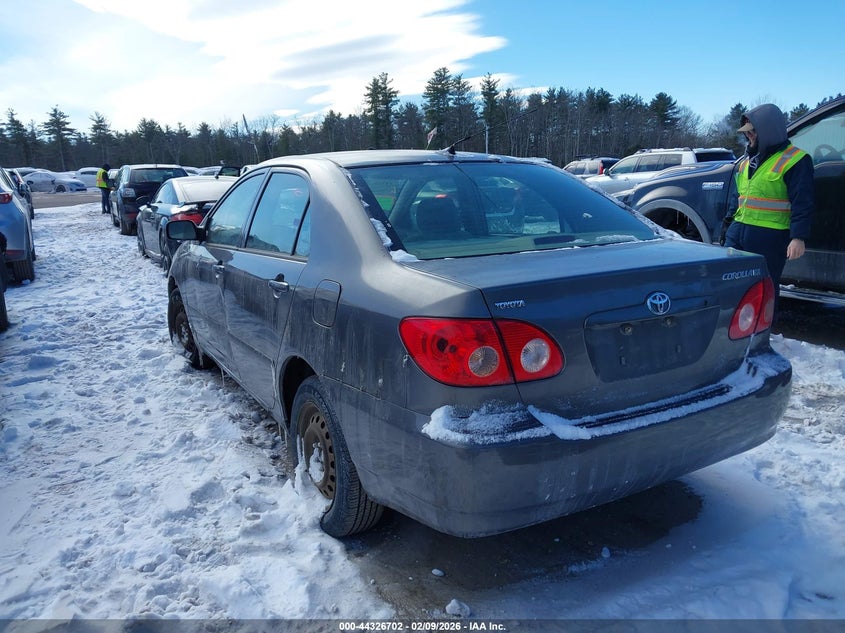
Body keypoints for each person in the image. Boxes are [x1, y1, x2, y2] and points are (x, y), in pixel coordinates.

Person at [720, 103, 814, 319]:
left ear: (768, 131)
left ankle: (761, 334)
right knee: (730, 281)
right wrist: (727, 227)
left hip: (770, 235)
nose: (750, 137)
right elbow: (738, 198)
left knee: (764, 286)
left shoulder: (796, 160)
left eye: (753, 132)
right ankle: (731, 330)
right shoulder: (745, 162)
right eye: (747, 134)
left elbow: (803, 202)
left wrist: (798, 237)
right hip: (739, 231)